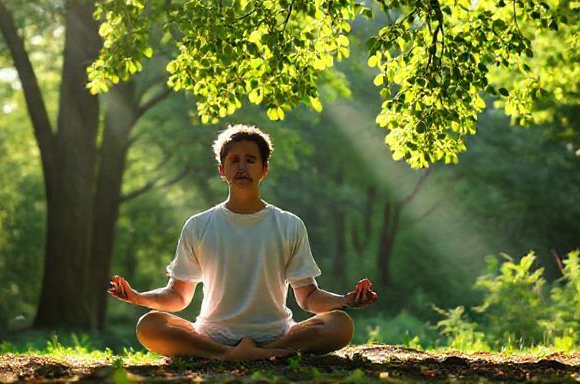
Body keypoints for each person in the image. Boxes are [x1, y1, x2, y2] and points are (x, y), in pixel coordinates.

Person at [107, 124, 378, 361]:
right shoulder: (199, 225)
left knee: (339, 325)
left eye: (250, 160)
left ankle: (264, 350)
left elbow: (307, 297)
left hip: (276, 335)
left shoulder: (289, 224)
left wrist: (346, 300)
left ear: (264, 169)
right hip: (212, 335)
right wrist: (139, 297)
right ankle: (226, 353)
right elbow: (178, 296)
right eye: (234, 160)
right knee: (150, 325)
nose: (242, 167)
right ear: (222, 170)